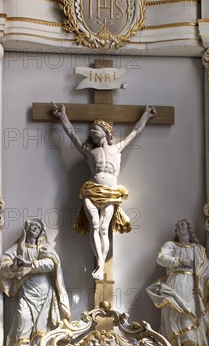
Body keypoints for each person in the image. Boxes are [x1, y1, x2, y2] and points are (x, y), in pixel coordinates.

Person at [51, 103, 156, 280]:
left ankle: (101, 263)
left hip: (111, 192)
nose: (93, 132)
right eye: (91, 131)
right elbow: (71, 134)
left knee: (103, 227)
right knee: (93, 223)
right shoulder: (89, 152)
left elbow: (135, 132)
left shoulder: (117, 148)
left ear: (106, 132)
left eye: (96, 129)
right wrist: (62, 116)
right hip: (91, 190)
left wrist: (146, 115)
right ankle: (100, 263)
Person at [146, 220, 209, 346]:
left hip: (191, 286)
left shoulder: (198, 249)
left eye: (183, 225)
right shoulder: (171, 245)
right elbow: (161, 259)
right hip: (174, 282)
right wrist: (180, 261)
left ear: (189, 229)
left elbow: (206, 272)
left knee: (189, 315)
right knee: (172, 317)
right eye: (178, 226)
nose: (180, 227)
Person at [0, 219, 71, 346]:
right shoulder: (18, 248)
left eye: (38, 226)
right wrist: (13, 266)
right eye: (33, 225)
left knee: (42, 321)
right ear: (26, 229)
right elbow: (3, 266)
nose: (35, 228)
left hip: (44, 290)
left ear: (41, 232)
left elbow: (51, 263)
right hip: (26, 290)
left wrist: (29, 263)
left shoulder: (44, 247)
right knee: (23, 316)